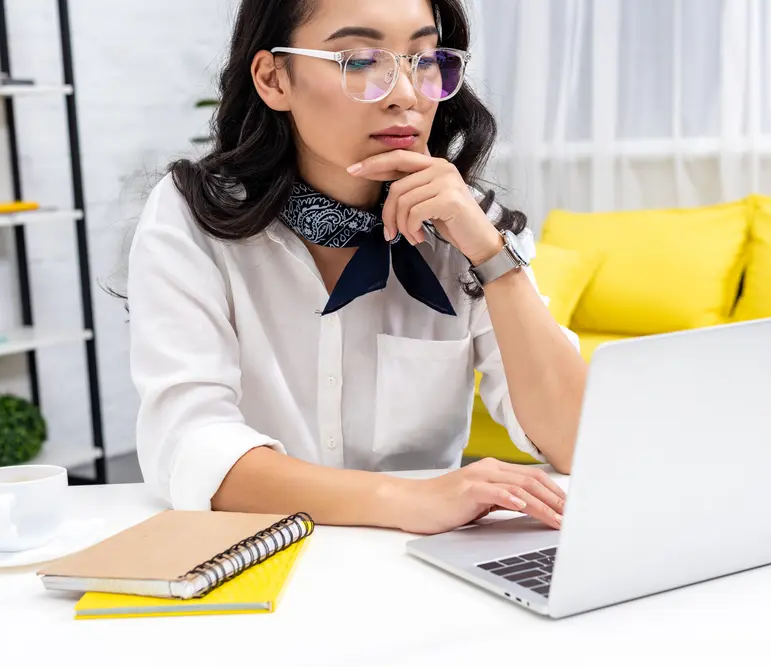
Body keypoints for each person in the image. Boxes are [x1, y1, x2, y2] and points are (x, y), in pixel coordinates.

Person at [128, 0, 588, 535]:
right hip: (254, 556)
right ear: (274, 79)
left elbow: (579, 441)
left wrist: (492, 256)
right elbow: (189, 444)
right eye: (359, 61)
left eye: (421, 59)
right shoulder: (194, 217)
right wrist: (406, 500)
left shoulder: (469, 225)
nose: (406, 95)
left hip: (422, 571)